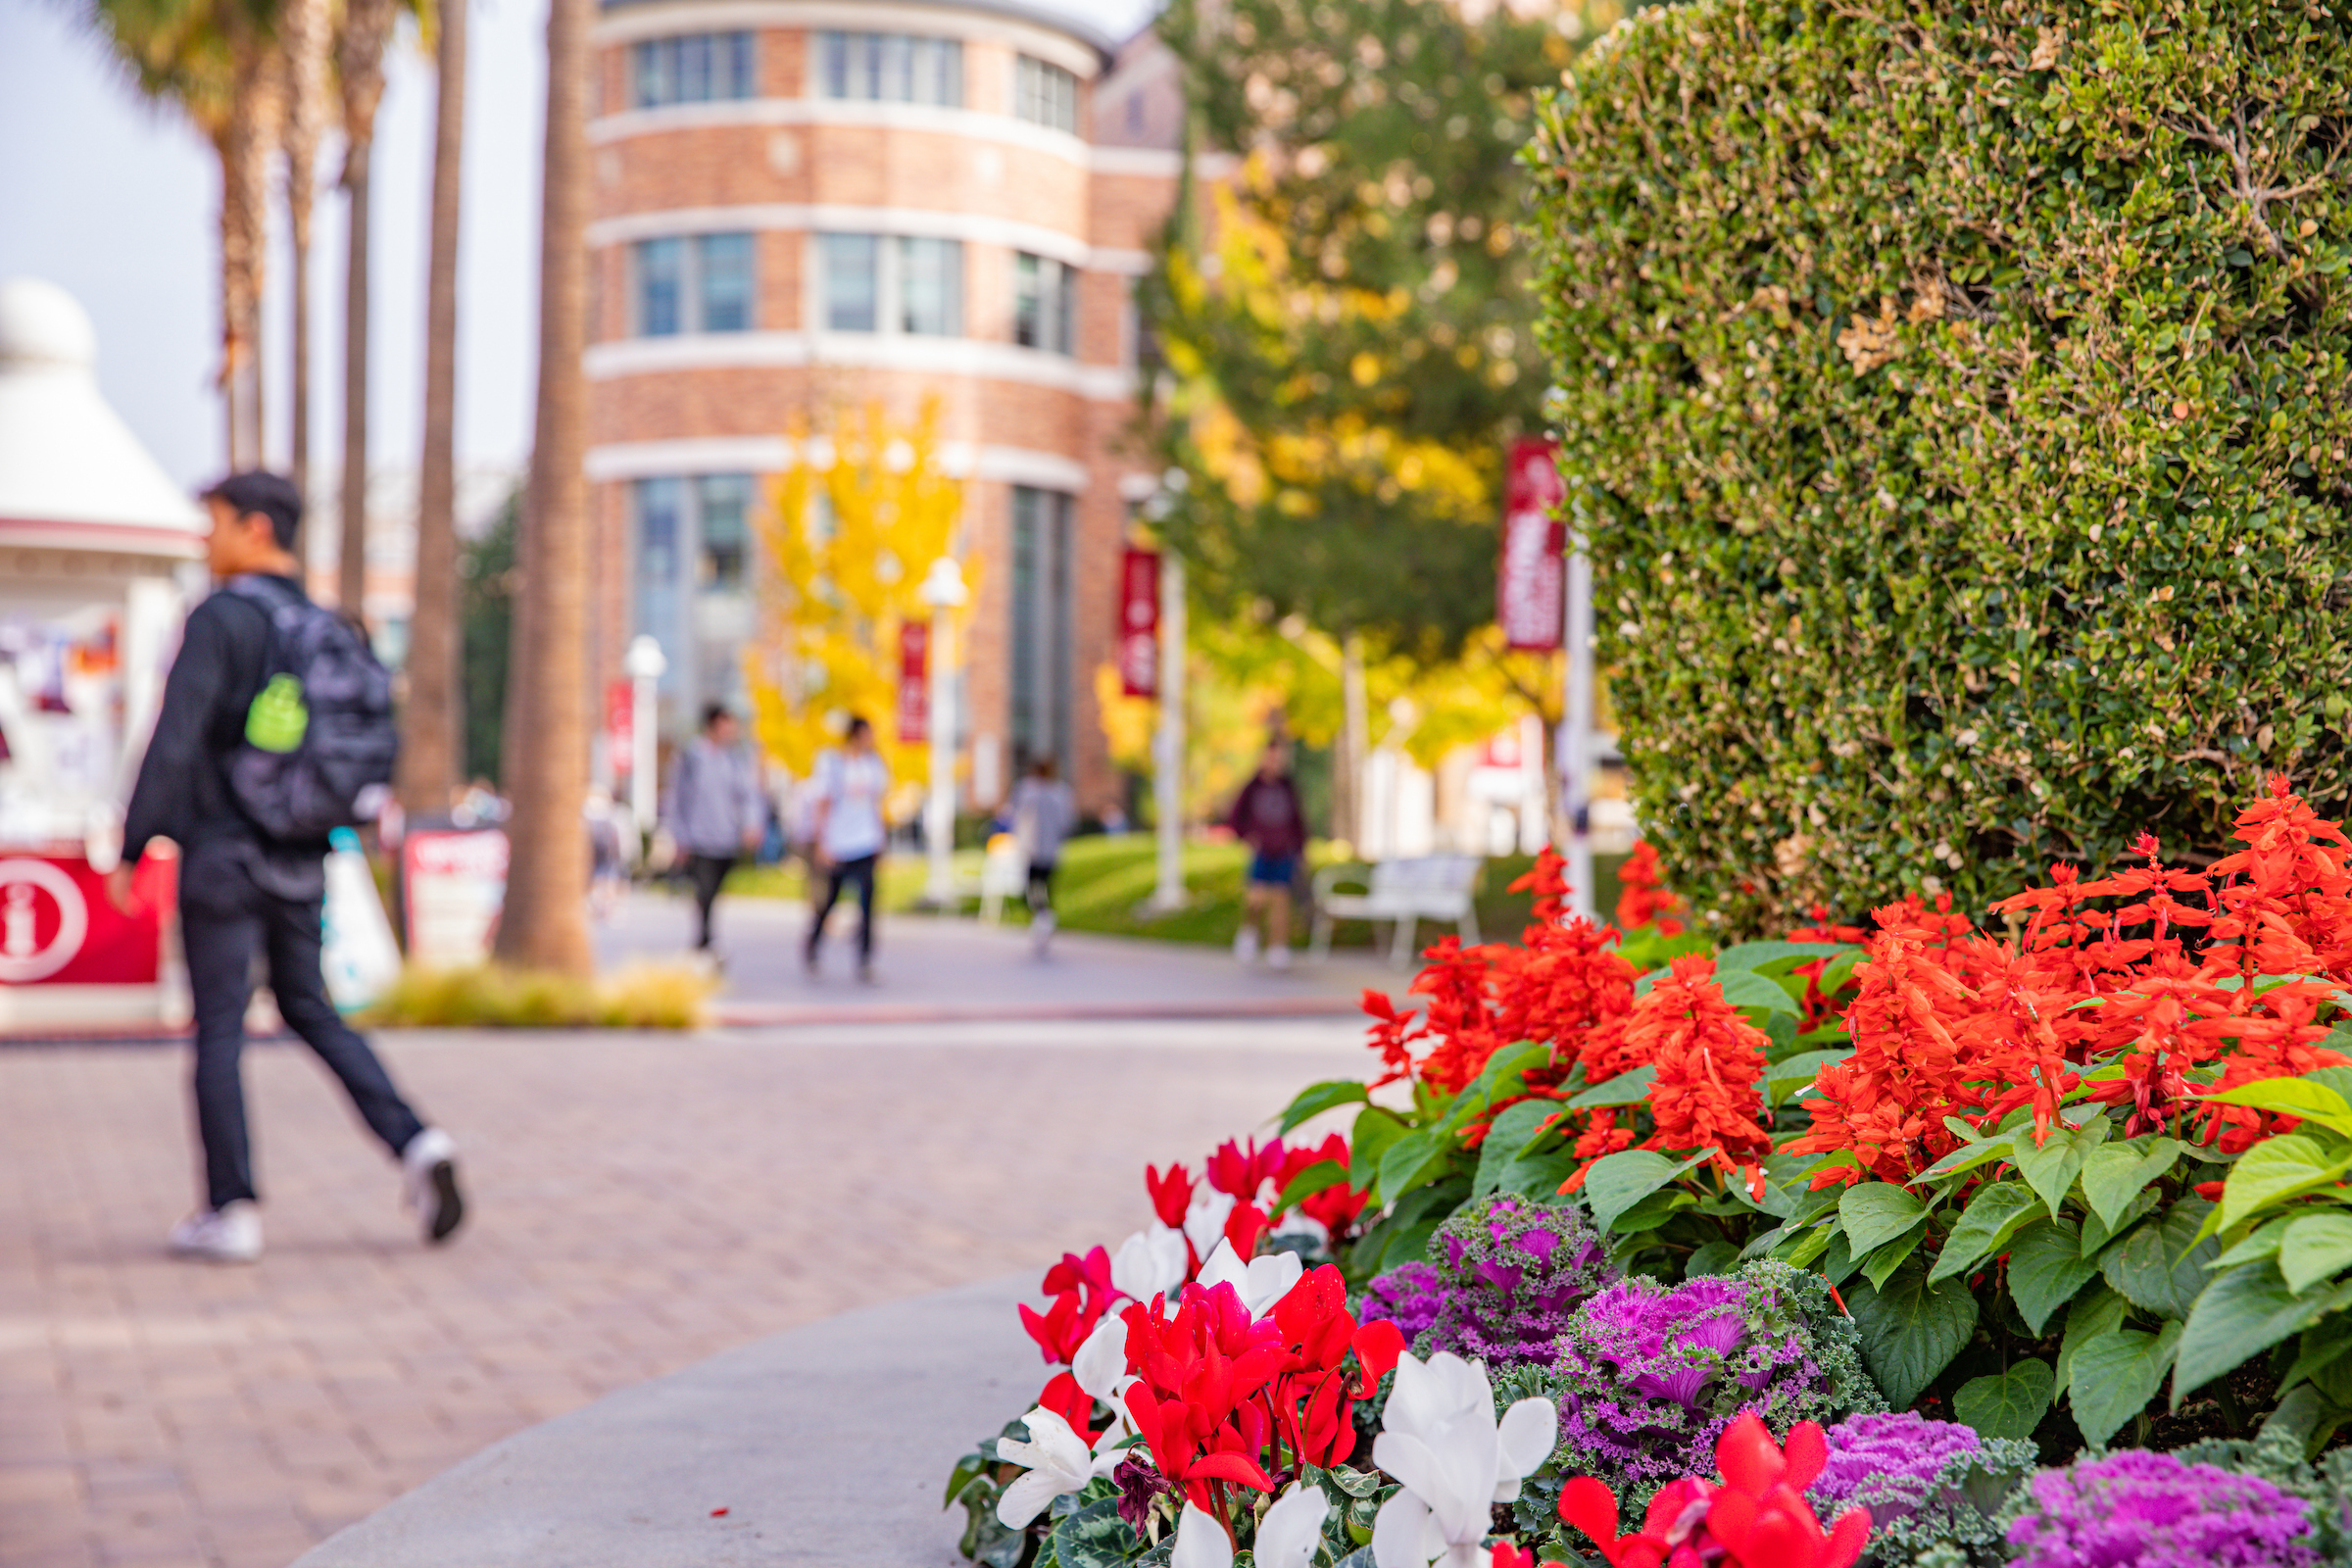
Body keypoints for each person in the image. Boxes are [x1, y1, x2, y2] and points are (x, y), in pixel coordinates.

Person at [110, 471, 464, 1264]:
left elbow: (176, 736)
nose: (208, 540)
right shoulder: (330, 623)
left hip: (224, 860)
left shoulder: (222, 619)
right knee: (313, 1010)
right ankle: (419, 1144)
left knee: (221, 1029)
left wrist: (136, 845)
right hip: (303, 858)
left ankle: (229, 1210)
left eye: (218, 524)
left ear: (258, 529)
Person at [661, 704, 765, 955]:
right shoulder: (691, 757)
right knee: (704, 889)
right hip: (698, 838)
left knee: (714, 891)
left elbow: (748, 795)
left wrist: (751, 825)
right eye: (726, 725)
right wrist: (679, 837)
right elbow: (677, 799)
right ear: (713, 725)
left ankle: (705, 937)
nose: (731, 731)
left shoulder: (734, 759)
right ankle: (705, 939)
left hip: (726, 837)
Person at [804, 714, 889, 981]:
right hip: (839, 843)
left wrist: (881, 839)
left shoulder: (873, 765)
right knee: (830, 901)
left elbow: (876, 805)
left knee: (868, 904)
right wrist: (822, 842)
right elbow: (824, 802)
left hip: (866, 842)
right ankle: (813, 945)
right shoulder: (833, 764)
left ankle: (864, 960)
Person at [1228, 735, 1307, 969]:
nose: (1275, 763)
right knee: (1256, 898)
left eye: (1279, 758)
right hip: (1261, 850)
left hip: (1284, 850)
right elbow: (1235, 817)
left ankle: (1278, 946)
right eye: (1271, 757)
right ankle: (1249, 934)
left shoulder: (1288, 787)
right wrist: (1246, 837)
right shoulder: (1252, 787)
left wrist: (1300, 848)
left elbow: (1298, 820)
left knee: (1281, 899)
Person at [1008, 754, 1076, 956]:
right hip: (1049, 850)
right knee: (1044, 887)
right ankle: (1044, 917)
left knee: (1031, 888)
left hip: (1033, 849)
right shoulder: (1061, 793)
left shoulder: (1028, 790)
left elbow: (1015, 816)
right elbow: (1067, 822)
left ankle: (1042, 918)